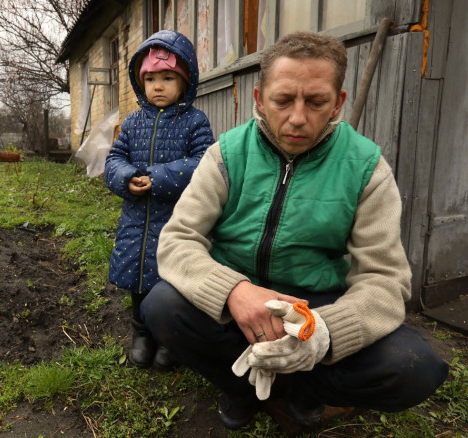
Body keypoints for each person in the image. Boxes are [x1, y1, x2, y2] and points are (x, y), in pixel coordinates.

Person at [141, 31, 449, 431]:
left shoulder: (367, 168)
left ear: (338, 102)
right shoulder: (226, 155)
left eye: (317, 101)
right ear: (259, 99)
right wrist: (234, 291)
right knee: (160, 306)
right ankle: (240, 387)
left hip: (317, 305)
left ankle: (308, 388)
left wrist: (323, 333)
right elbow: (178, 240)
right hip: (240, 297)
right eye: (283, 101)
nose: (298, 117)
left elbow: (386, 281)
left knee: (415, 368)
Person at [104, 30, 214, 369]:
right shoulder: (133, 122)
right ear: (141, 83)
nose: (158, 86)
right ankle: (141, 333)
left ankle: (168, 339)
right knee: (137, 277)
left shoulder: (194, 121)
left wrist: (158, 177)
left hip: (177, 219)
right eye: (151, 78)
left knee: (172, 277)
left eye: (168, 77)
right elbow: (114, 159)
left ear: (186, 81)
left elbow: (203, 163)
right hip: (136, 220)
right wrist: (125, 177)